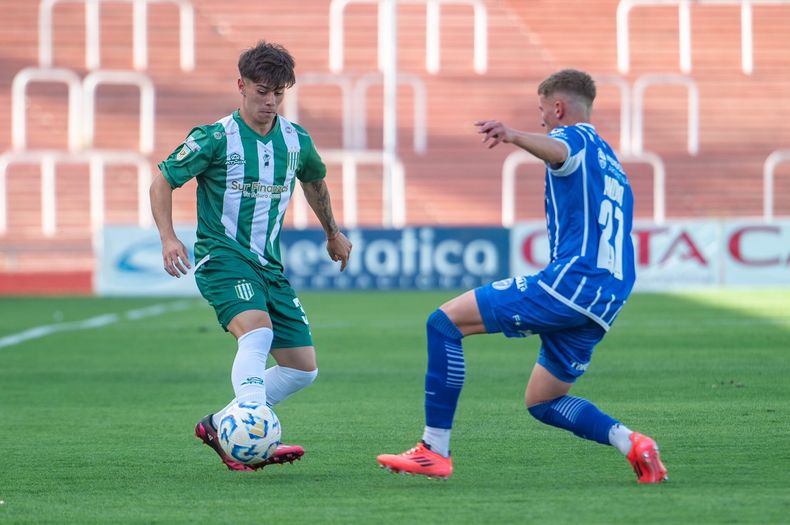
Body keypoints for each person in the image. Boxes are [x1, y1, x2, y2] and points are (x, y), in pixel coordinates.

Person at [377, 69, 667, 483]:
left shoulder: (576, 139)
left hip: (572, 283)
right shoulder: (612, 161)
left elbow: (558, 150)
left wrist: (513, 135)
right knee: (542, 400)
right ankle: (631, 443)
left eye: (542, 111)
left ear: (558, 107)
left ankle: (433, 449)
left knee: (443, 323)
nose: (542, 119)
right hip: (606, 299)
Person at [150, 41, 352, 471]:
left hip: (269, 267)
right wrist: (169, 238)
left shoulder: (296, 141)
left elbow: (314, 182)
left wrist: (332, 232)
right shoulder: (214, 137)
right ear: (241, 86)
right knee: (256, 334)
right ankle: (255, 434)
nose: (271, 101)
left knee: (302, 369)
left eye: (279, 92)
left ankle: (222, 425)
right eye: (262, 91)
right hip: (222, 258)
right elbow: (162, 182)